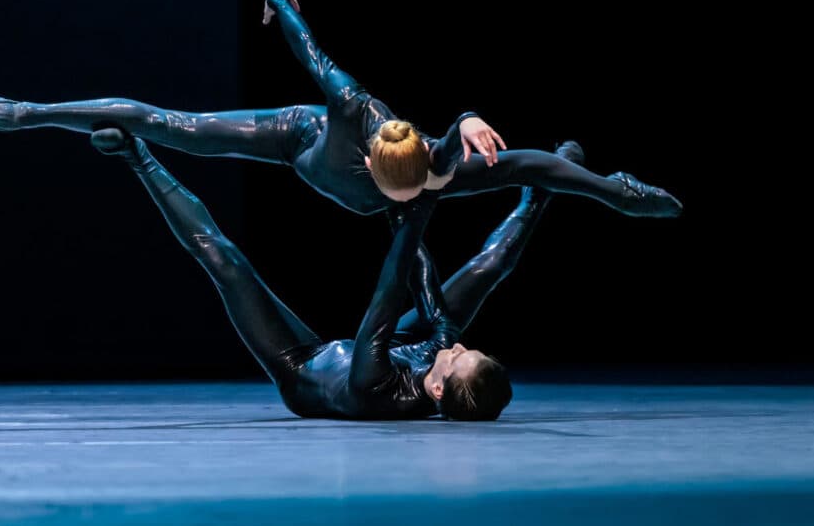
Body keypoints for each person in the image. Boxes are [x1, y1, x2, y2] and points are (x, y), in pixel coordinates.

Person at [0, 0, 682, 219]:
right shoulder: (349, 112)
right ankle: (26, 110)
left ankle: (617, 189)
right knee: (161, 122)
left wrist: (464, 118)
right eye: (388, 188)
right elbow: (310, 52)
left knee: (533, 167)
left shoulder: (444, 164)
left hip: (418, 154)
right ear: (369, 158)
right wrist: (280, 3)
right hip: (295, 140)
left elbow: (527, 163)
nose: (396, 198)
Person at [84, 125, 583, 420]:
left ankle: (138, 157)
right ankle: (541, 188)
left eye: (456, 358)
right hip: (390, 347)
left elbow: (386, 299)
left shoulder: (377, 389)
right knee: (485, 268)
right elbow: (420, 277)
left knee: (225, 261)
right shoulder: (438, 357)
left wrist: (416, 209)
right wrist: (403, 198)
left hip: (304, 367)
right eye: (465, 349)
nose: (455, 346)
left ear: (436, 390)